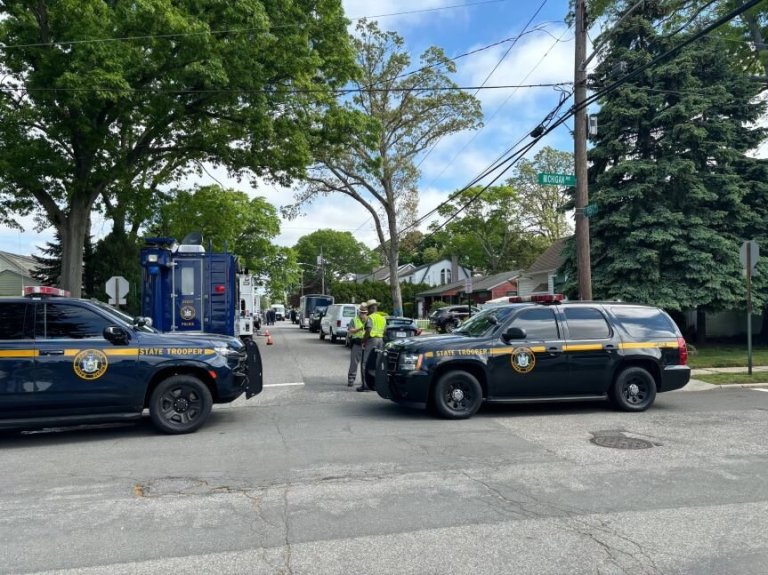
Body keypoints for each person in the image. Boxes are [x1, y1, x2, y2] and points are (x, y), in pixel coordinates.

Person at [358, 299, 386, 392]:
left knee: (365, 362)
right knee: (377, 363)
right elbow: (385, 330)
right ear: (376, 308)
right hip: (380, 340)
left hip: (372, 340)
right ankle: (375, 384)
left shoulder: (370, 317)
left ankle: (365, 385)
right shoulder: (382, 318)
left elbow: (369, 330)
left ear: (369, 309)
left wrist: (363, 340)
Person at [347, 304, 367, 387]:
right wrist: (359, 329)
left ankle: (365, 381)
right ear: (359, 312)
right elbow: (350, 330)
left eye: (364, 313)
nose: (363, 314)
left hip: (366, 344)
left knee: (365, 364)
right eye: (361, 312)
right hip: (357, 343)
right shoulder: (354, 320)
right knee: (354, 363)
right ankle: (351, 379)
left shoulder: (369, 320)